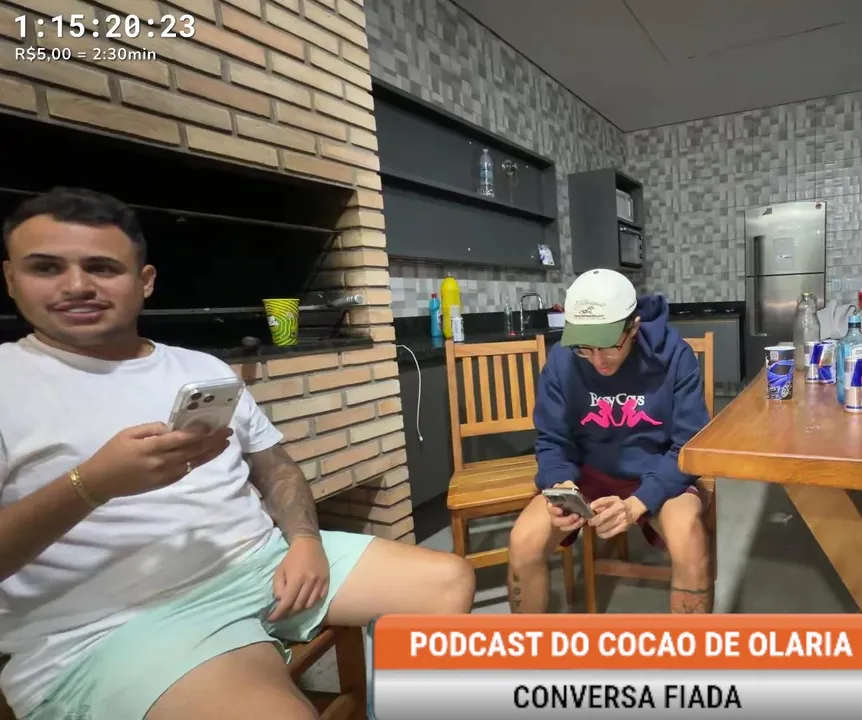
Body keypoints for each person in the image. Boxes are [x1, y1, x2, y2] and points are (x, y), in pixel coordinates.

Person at [0, 187, 475, 720]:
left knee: (446, 582)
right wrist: (92, 484)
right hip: (119, 624)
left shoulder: (201, 368)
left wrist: (304, 541)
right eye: (46, 267)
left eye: (101, 268)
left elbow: (276, 468)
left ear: (145, 281)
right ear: (11, 279)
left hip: (260, 563)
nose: (76, 286)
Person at [506, 269, 712, 614]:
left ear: (633, 327)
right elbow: (552, 439)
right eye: (585, 349)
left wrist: (640, 501)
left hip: (656, 468)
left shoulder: (676, 356)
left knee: (692, 545)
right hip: (586, 472)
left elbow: (688, 445)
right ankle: (525, 646)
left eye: (609, 346)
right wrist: (560, 484)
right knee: (522, 542)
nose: (599, 361)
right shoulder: (561, 360)